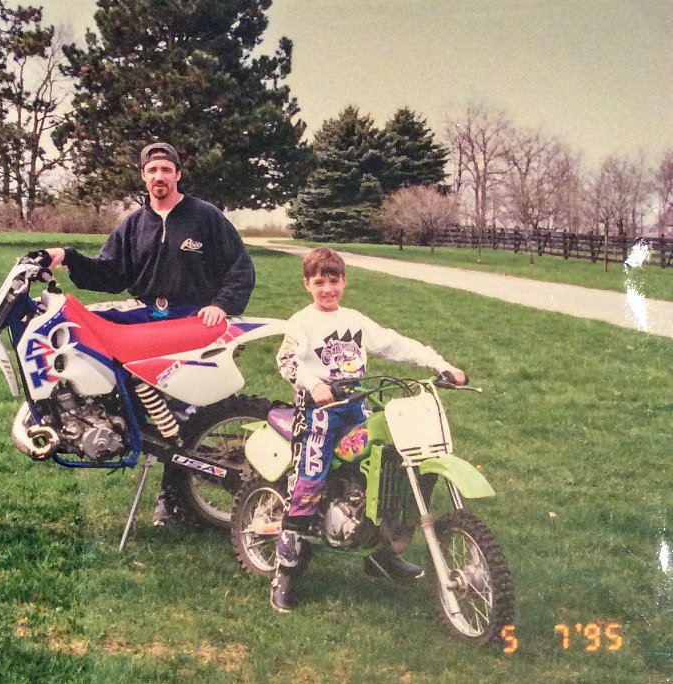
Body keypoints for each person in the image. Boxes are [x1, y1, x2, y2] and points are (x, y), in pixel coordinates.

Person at [45, 142, 256, 526]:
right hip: (147, 313)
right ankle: (98, 421)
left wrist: (221, 304)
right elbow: (109, 273)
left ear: (178, 174)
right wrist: (69, 256)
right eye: (152, 170)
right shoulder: (134, 225)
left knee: (180, 416)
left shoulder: (205, 217)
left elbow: (240, 267)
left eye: (166, 169)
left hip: (191, 320)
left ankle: (172, 498)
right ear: (143, 176)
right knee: (86, 330)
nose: (159, 176)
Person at [271, 247, 467, 613]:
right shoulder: (301, 322)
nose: (327, 289)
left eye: (334, 281)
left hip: (355, 405)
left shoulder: (355, 320)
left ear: (344, 281)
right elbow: (287, 359)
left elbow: (396, 343)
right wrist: (312, 383)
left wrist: (442, 365)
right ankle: (286, 571)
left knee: (387, 467)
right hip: (317, 412)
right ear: (307, 284)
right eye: (319, 282)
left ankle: (382, 553)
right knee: (309, 480)